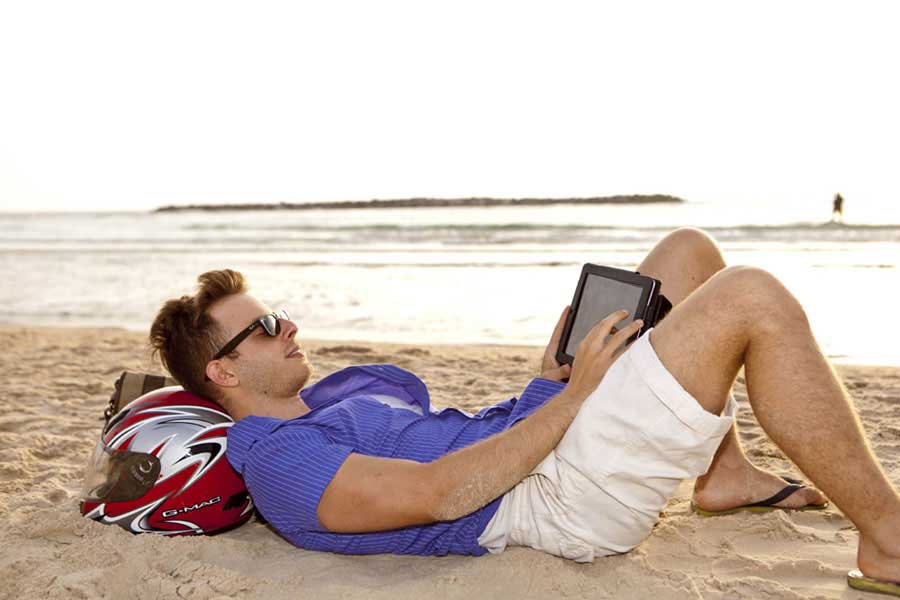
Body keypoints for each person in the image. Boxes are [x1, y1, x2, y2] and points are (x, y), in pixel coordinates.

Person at [149, 228, 899, 594]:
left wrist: (546, 383)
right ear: (222, 371)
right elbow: (441, 494)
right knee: (751, 297)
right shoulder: (278, 458)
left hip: (538, 446)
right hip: (552, 503)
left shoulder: (326, 401)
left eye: (279, 313)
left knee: (687, 253)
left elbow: (463, 436)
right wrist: (574, 399)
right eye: (266, 327)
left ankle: (724, 474)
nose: (290, 327)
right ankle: (888, 542)